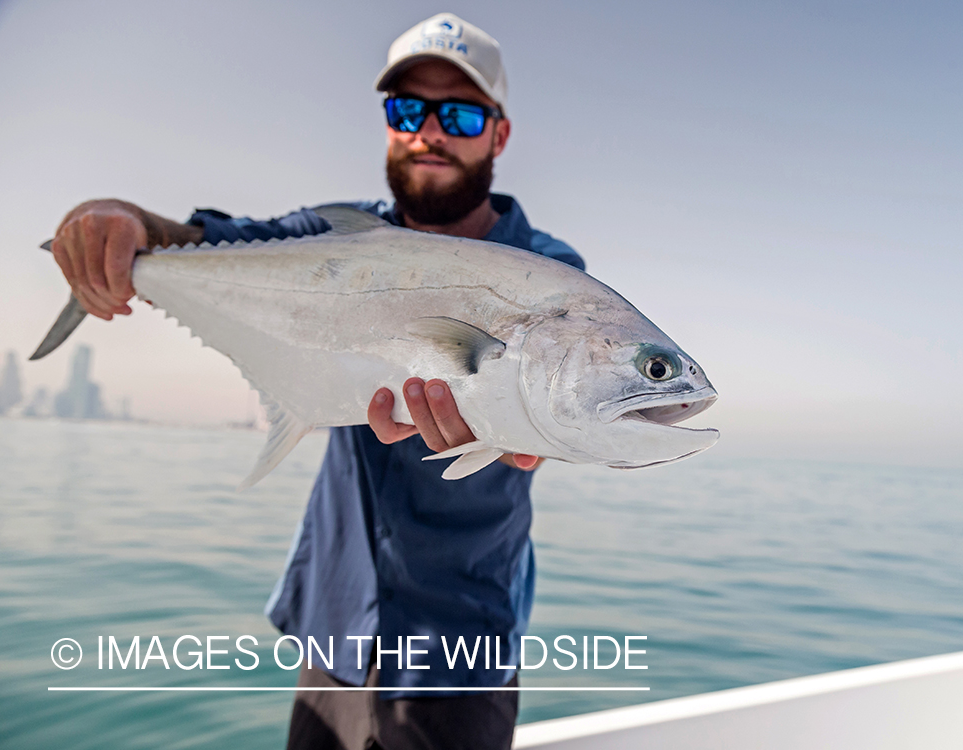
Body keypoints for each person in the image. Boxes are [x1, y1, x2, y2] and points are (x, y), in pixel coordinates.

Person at [48, 13, 584, 750]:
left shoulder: (551, 274)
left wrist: (531, 434)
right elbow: (204, 240)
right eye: (407, 110)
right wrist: (122, 223)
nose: (430, 131)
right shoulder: (334, 236)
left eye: (458, 113)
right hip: (333, 623)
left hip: (459, 647)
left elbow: (562, 396)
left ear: (498, 134)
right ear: (388, 125)